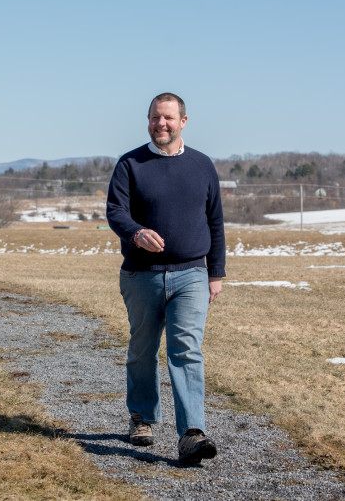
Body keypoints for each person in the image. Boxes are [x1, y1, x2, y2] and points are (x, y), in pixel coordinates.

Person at [106, 92, 226, 465]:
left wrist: (216, 272)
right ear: (148, 120)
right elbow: (115, 211)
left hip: (191, 273)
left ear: (183, 122)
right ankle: (142, 417)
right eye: (155, 117)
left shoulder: (203, 165)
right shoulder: (130, 164)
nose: (161, 124)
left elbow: (216, 221)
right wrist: (136, 232)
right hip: (142, 275)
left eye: (169, 118)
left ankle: (192, 433)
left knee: (186, 350)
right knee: (143, 349)